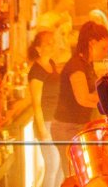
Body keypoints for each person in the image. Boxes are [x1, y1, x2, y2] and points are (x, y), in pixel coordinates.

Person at [52, 21, 108, 156]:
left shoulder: (87, 64)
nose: (105, 53)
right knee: (73, 168)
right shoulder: (76, 66)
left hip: (77, 125)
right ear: (92, 43)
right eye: (103, 48)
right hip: (66, 127)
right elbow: (83, 99)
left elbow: (94, 92)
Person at [27, 29, 64, 187]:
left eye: (53, 42)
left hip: (57, 121)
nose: (52, 45)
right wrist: (42, 130)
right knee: (52, 164)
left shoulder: (51, 64)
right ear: (38, 48)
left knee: (62, 163)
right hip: (46, 122)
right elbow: (36, 104)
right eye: (48, 43)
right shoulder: (36, 72)